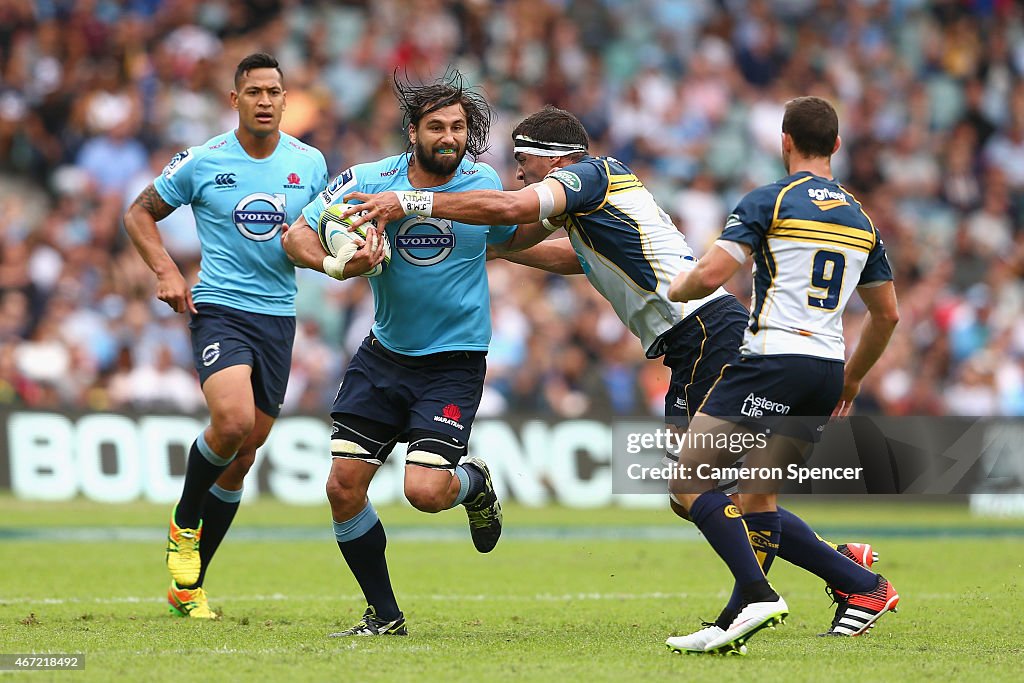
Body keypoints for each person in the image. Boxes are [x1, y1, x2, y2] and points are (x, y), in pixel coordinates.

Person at [343, 104, 890, 651]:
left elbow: (511, 207)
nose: (518, 174)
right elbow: (563, 255)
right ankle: (848, 576)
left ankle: (800, 587)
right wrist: (480, 250)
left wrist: (408, 200)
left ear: (548, 158)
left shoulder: (590, 175)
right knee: (701, 493)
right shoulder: (592, 204)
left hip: (705, 332)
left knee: (704, 487)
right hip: (692, 342)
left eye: (522, 162)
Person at [664, 96, 900, 653]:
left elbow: (716, 272)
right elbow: (887, 314)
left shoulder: (771, 199)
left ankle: (753, 594)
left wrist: (679, 288)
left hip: (772, 361)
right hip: (825, 369)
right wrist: (853, 378)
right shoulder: (862, 219)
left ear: (785, 141)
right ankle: (860, 585)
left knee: (689, 480)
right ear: (837, 147)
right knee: (757, 496)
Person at [280, 70, 511, 638]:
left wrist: (409, 205)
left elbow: (510, 219)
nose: (450, 137)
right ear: (412, 131)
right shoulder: (364, 179)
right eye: (437, 127)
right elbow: (295, 236)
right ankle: (384, 616)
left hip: (453, 361)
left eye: (459, 126)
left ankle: (473, 485)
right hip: (384, 354)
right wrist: (339, 264)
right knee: (341, 486)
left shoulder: (480, 182)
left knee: (425, 492)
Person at [123, 53, 329, 619]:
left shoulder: (309, 164)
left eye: (275, 92)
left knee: (242, 457)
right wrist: (167, 270)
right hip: (220, 308)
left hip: (278, 318)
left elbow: (311, 237)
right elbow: (139, 213)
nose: (265, 101)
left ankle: (188, 588)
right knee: (233, 422)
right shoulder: (204, 160)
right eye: (254, 91)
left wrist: (343, 260)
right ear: (233, 100)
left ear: (287, 101)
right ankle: (184, 521)